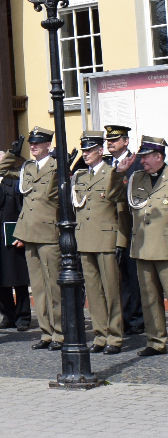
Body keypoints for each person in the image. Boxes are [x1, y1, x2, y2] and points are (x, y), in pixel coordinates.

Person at [0, 127, 63, 350]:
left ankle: (60, 333)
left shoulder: (55, 166)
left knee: (53, 287)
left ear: (47, 145)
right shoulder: (28, 167)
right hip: (29, 233)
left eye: (38, 143)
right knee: (39, 287)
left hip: (48, 232)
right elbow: (2, 172)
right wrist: (11, 154)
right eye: (31, 144)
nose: (33, 146)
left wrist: (61, 158)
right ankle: (46, 333)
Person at [72, 131, 126, 354]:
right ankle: (100, 335)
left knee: (111, 291)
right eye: (84, 150)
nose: (85, 154)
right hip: (85, 239)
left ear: (100, 151)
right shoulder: (81, 176)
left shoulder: (111, 173)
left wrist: (121, 241)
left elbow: (121, 209)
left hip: (106, 238)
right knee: (93, 292)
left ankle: (115, 337)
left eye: (89, 150)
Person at [117, 136, 168, 356]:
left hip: (166, 248)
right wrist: (119, 173)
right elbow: (112, 196)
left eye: (147, 156)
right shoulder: (136, 178)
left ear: (159, 156)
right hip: (143, 247)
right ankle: (157, 341)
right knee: (148, 299)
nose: (142, 160)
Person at [104, 124, 145, 336]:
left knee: (131, 275)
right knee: (114, 275)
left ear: (126, 141)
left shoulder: (137, 163)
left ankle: (135, 319)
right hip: (106, 227)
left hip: (128, 226)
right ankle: (120, 317)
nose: (110, 143)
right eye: (108, 140)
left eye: (115, 140)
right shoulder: (104, 164)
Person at [0, 150, 31, 332]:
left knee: (18, 279)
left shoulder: (15, 183)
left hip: (12, 237)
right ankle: (8, 315)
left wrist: (23, 235)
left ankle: (23, 317)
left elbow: (23, 210)